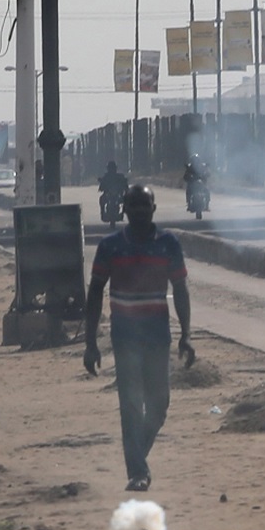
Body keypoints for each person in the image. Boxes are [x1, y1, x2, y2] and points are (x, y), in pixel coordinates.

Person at [83, 184, 196, 492]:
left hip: (158, 335)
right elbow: (94, 292)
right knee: (131, 404)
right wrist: (90, 343)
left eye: (145, 206)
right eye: (134, 207)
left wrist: (187, 334)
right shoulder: (110, 247)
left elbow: (181, 290)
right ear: (124, 210)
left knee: (159, 406)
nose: (139, 212)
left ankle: (136, 456)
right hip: (125, 336)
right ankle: (137, 471)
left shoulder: (168, 244)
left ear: (154, 209)